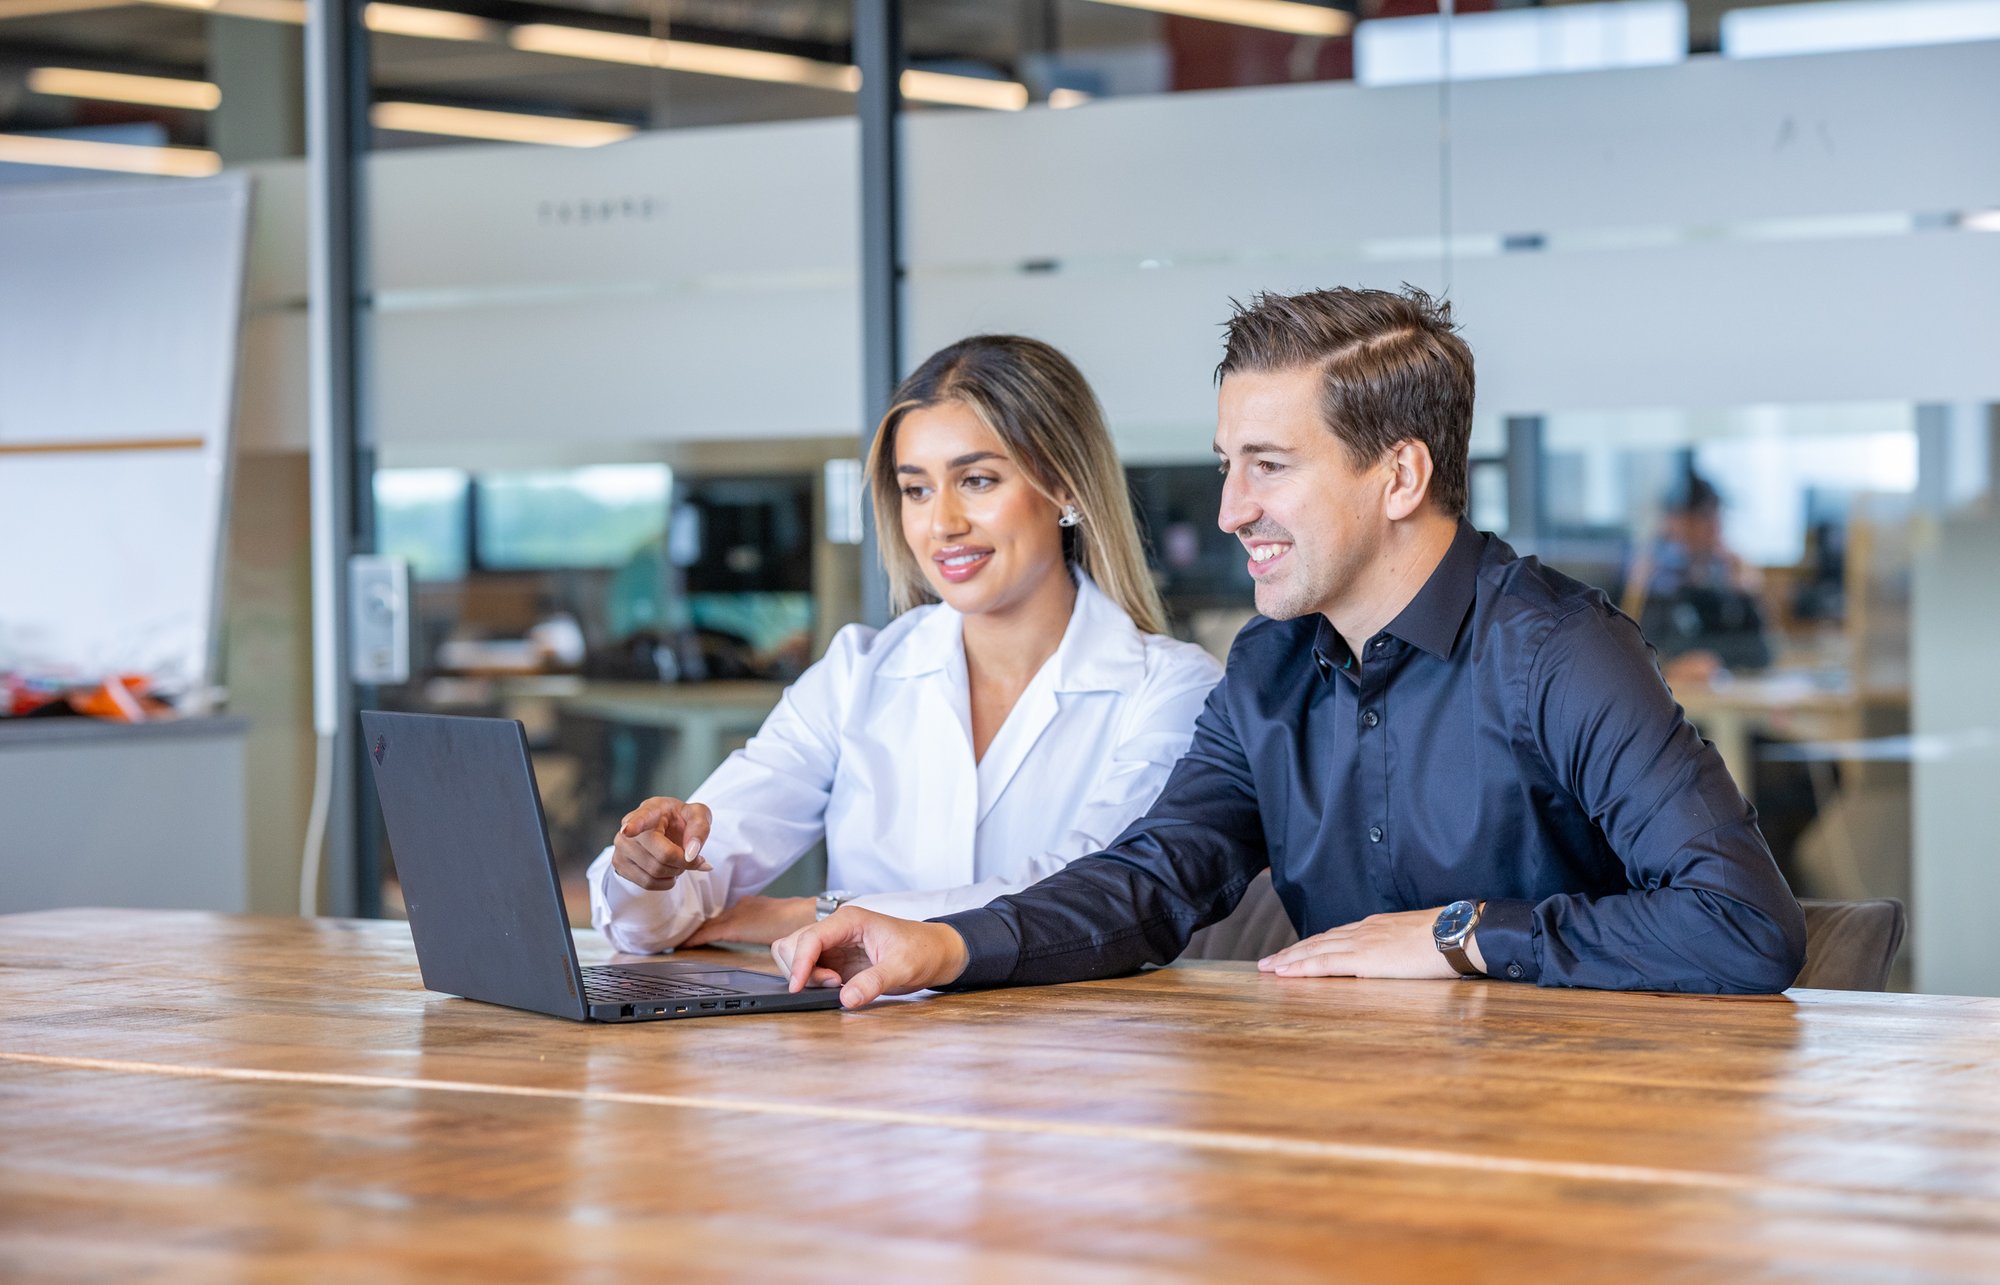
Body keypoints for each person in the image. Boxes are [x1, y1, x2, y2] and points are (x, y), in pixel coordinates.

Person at [774, 286, 1809, 1008]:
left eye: (1267, 466)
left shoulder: (1558, 652)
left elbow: (1740, 924)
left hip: (1570, 1142)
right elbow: (1147, 881)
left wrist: (1459, 934)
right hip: (1341, 1131)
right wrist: (944, 946)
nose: (1229, 511)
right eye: (1228, 465)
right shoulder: (1267, 672)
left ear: (1398, 477)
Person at [585, 336, 1221, 954]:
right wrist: (647, 870)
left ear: (1066, 487)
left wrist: (817, 913)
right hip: (867, 1049)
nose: (942, 523)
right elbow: (656, 918)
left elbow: (1085, 899)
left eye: (976, 480)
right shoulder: (858, 673)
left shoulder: (1172, 689)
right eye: (916, 489)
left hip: (1072, 1047)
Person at [1625, 470, 1773, 686]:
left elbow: (1761, 652)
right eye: (1705, 516)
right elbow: (1638, 654)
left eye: (1717, 515)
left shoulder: (1725, 577)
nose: (1716, 526)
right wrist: (1672, 664)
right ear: (1675, 521)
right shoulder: (1652, 578)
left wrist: (1748, 595)